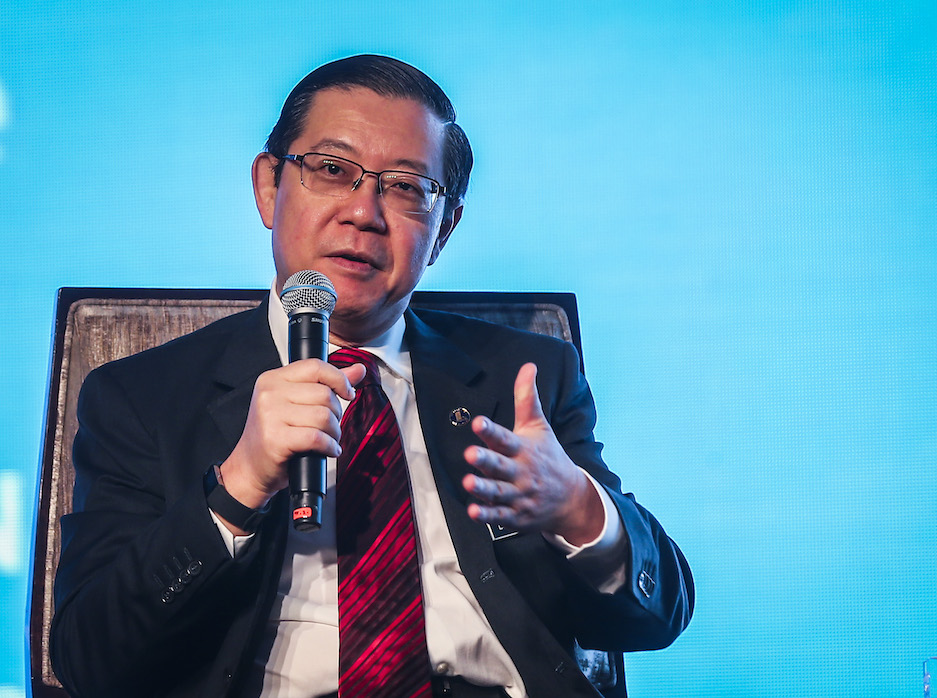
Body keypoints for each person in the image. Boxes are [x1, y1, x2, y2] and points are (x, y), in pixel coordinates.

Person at [50, 55, 693, 698]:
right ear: (268, 188)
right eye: (332, 170)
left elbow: (660, 613)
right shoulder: (141, 398)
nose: (364, 213)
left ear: (443, 230)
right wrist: (236, 489)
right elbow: (90, 664)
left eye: (407, 188)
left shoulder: (525, 380)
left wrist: (578, 508)